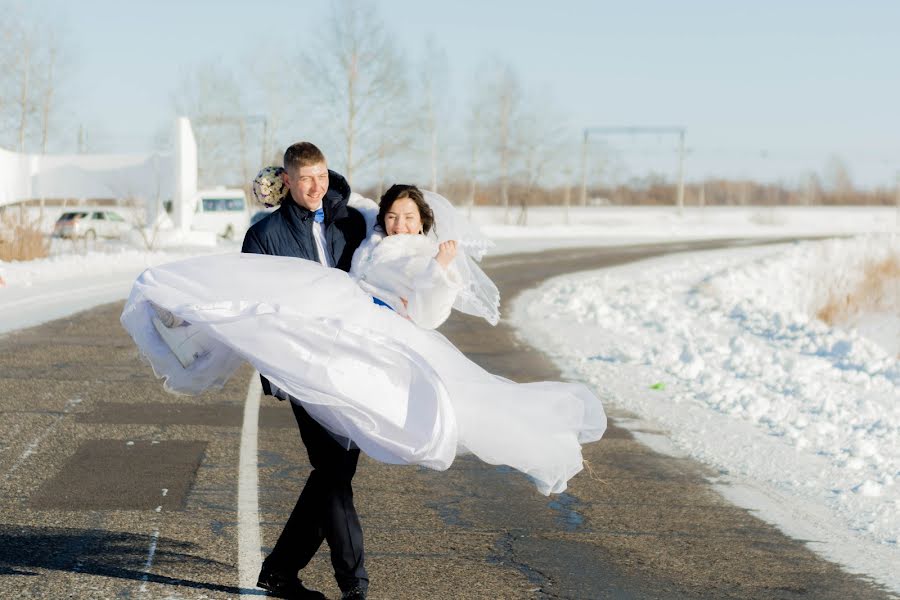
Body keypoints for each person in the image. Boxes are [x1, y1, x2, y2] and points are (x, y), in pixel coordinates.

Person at [120, 164, 607, 600]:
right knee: (332, 470)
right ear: (286, 180)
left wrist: (437, 271)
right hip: (304, 362)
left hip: (364, 360)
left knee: (341, 468)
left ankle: (282, 570)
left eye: (409, 219)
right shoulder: (281, 234)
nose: (398, 223)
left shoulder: (386, 240)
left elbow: (426, 302)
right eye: (393, 217)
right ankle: (353, 582)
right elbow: (252, 290)